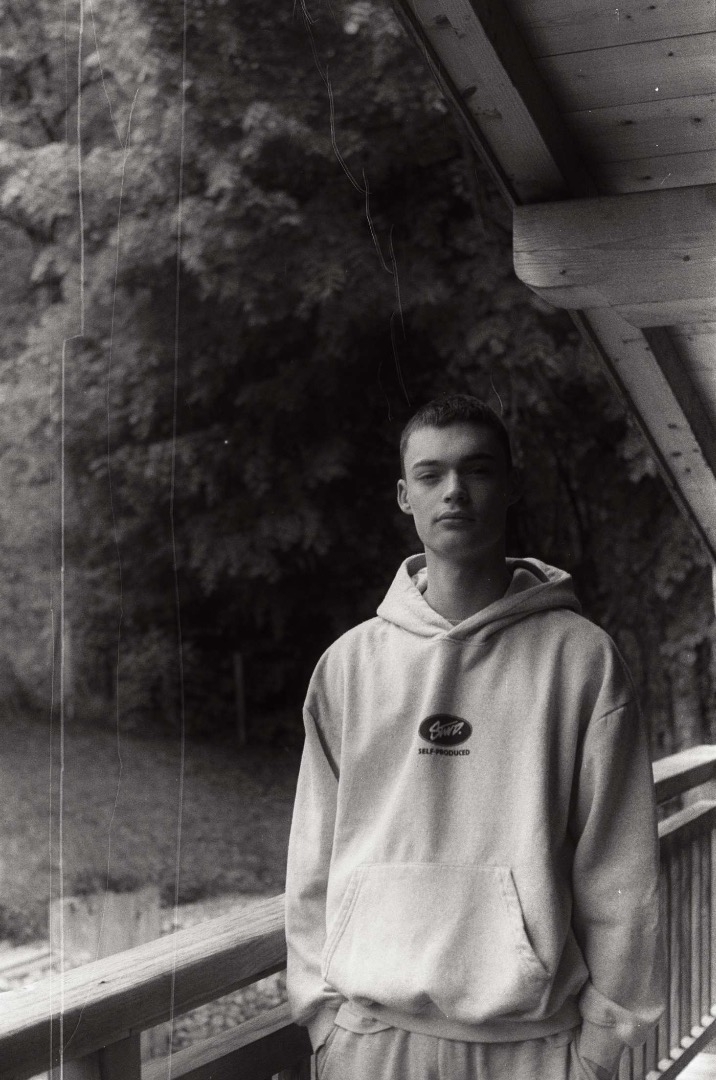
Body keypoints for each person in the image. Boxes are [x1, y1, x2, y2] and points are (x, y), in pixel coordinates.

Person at [285, 394, 664, 1080]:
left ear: (510, 486)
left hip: (534, 1047)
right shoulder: (348, 665)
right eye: (430, 474)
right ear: (405, 495)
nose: (454, 490)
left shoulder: (580, 659)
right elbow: (311, 858)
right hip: (372, 1041)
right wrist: (318, 1014)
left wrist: (604, 1042)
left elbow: (620, 866)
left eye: (478, 469)